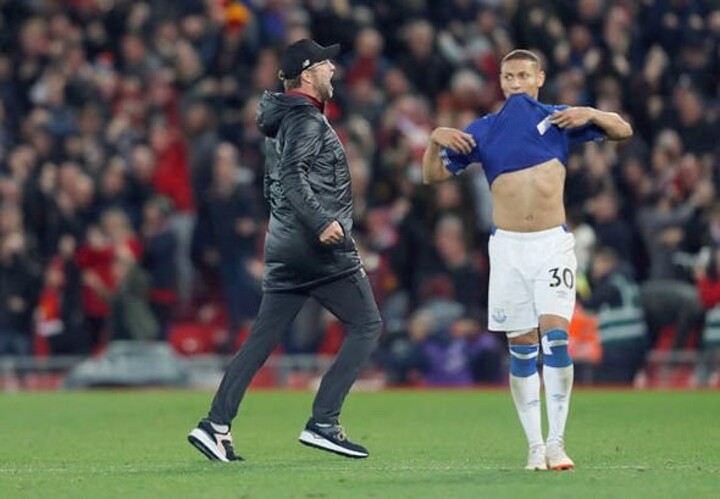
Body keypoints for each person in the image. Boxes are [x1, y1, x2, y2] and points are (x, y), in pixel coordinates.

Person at [422, 49, 633, 470]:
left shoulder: (561, 120)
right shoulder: (484, 130)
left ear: (540, 78)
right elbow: (432, 176)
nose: (516, 83)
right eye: (508, 77)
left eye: (523, 75)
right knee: (521, 348)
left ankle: (556, 442)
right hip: (508, 249)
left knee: (556, 337)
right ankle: (534, 446)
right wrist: (434, 140)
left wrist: (591, 112)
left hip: (552, 244)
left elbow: (623, 130)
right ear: (500, 82)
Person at [187, 39, 383, 462]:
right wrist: (322, 223)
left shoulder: (282, 119)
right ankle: (324, 421)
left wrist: (289, 228)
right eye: (326, 63)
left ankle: (215, 424)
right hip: (316, 246)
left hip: (284, 243)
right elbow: (293, 176)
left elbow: (273, 183)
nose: (333, 69)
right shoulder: (306, 119)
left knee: (262, 338)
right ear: (308, 74)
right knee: (368, 324)